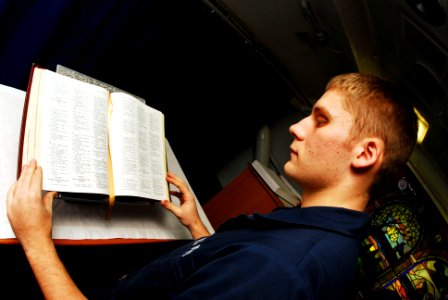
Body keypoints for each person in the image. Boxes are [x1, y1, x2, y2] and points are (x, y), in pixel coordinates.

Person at [6, 72, 418, 299]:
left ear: (364, 154)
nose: (296, 128)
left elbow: (261, 271)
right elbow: (235, 270)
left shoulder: (279, 271)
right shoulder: (323, 229)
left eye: (321, 119)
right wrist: (198, 230)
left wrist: (35, 239)